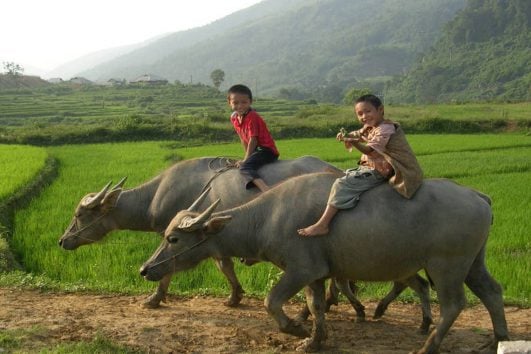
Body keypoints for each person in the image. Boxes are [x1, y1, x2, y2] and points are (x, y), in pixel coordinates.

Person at [297, 94, 423, 237]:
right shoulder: (370, 126)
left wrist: (354, 142)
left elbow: (370, 150)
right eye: (360, 114)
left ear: (380, 109)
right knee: (339, 172)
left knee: (341, 184)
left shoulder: (385, 129)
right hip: (371, 167)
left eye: (368, 111)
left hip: (382, 170)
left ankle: (322, 224)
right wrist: (346, 136)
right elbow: (357, 133)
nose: (364, 116)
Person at [228, 84, 279, 192]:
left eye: (244, 102)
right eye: (235, 103)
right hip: (256, 151)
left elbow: (253, 139)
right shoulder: (234, 118)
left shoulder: (252, 116)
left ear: (250, 102)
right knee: (244, 163)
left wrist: (246, 160)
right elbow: (243, 138)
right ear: (229, 103)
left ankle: (266, 190)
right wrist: (246, 155)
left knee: (245, 167)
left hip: (266, 150)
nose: (240, 106)